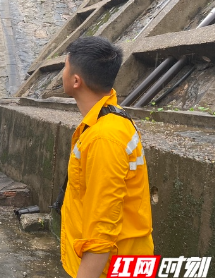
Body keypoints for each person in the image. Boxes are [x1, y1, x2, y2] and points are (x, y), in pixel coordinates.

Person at [60, 36, 154, 278]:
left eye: (65, 66)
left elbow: (101, 233)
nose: (62, 72)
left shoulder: (104, 138)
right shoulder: (110, 119)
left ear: (76, 80)